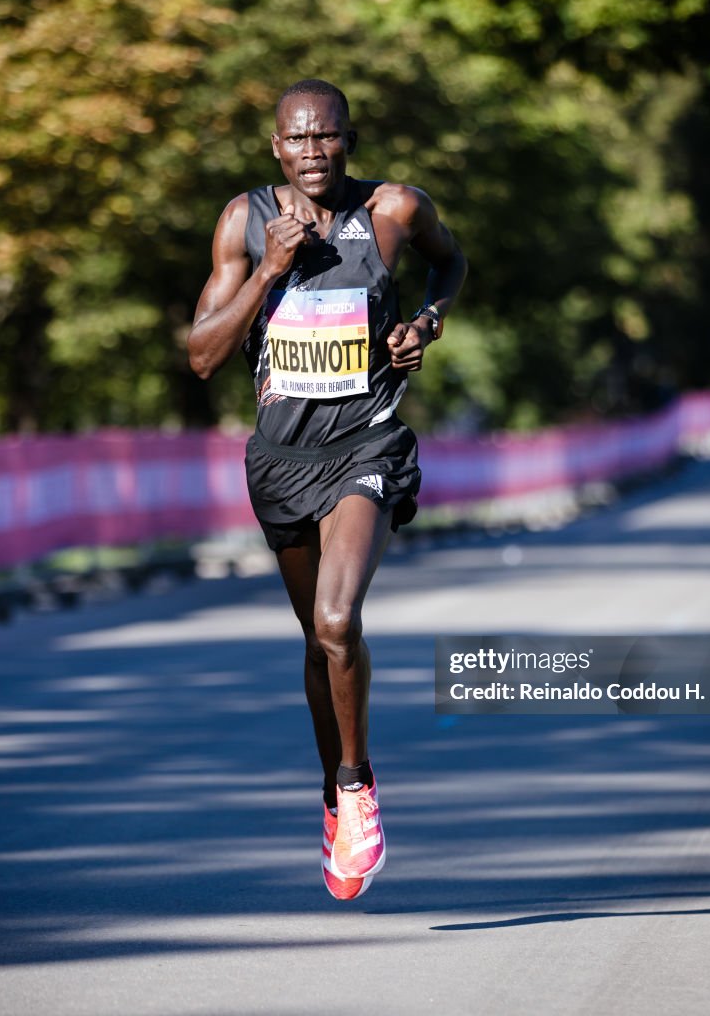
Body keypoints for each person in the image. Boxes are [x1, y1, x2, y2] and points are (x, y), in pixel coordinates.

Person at [188, 79, 467, 900]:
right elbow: (203, 355)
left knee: (339, 619)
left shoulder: (394, 212)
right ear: (275, 148)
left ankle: (357, 788)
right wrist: (267, 269)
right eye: (296, 140)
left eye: (327, 137)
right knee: (317, 642)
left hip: (366, 446)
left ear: (350, 139)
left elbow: (450, 263)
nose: (313, 152)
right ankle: (333, 795)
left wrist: (427, 322)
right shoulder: (244, 223)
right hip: (281, 459)